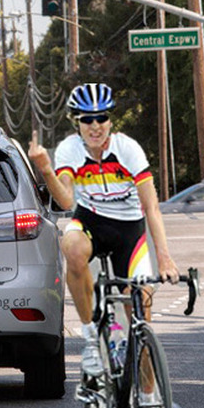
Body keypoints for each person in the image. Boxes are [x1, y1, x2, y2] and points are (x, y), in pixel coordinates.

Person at [28, 83, 179, 377]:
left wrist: (165, 258)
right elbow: (67, 200)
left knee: (140, 320)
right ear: (78, 123)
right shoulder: (70, 149)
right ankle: (90, 338)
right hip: (91, 222)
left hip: (130, 232)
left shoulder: (128, 149)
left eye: (101, 118)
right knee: (70, 246)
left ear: (110, 120)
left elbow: (152, 208)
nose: (95, 126)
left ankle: (148, 403)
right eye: (87, 119)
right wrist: (46, 169)